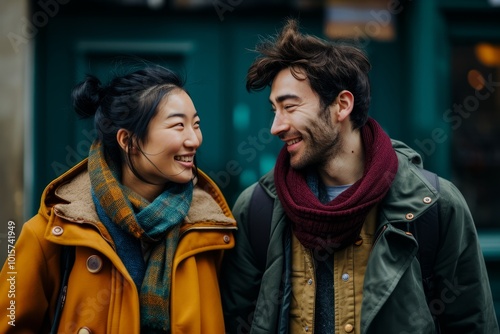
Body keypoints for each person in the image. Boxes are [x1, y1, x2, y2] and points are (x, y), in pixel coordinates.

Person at [219, 18, 499, 334]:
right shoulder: (258, 208)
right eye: (274, 110)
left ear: (342, 105)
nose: (276, 127)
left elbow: (471, 324)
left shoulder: (433, 206)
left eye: (290, 107)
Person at [0, 65, 236, 333]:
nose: (194, 139)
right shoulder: (49, 234)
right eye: (178, 126)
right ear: (129, 141)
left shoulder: (213, 231)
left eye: (196, 124)